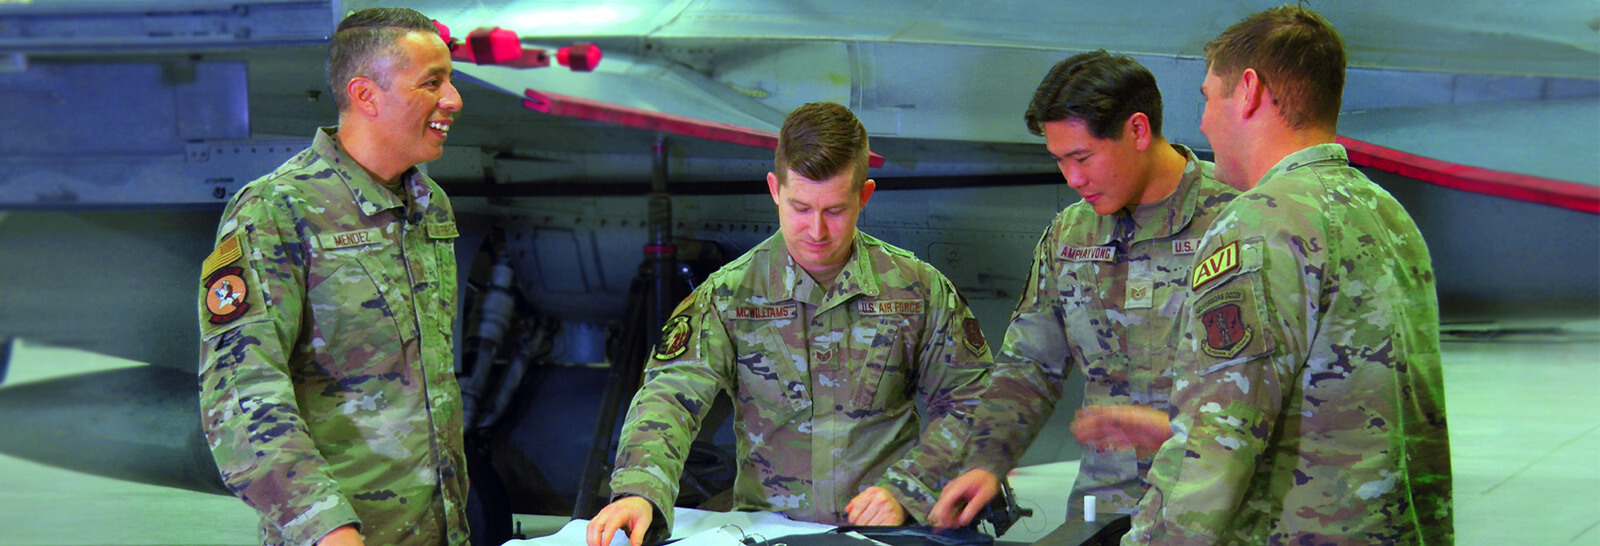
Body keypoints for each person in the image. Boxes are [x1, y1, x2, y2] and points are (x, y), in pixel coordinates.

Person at [1073, 5, 1454, 543]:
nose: (1202, 121)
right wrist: (1170, 426)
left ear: (1248, 91)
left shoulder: (1258, 224)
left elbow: (1215, 446)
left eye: (1207, 97)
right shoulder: (1386, 214)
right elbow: (1348, 406)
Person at [586, 102, 994, 546]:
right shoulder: (730, 294)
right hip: (770, 532)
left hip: (889, 533)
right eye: (800, 207)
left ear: (865, 195)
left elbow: (970, 401)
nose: (816, 231)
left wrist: (909, 488)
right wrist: (640, 491)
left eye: (835, 211)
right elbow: (670, 396)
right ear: (774, 189)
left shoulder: (916, 290)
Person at [926, 51, 1239, 529]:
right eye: (1060, 161)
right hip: (1104, 508)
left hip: (1213, 511)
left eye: (1082, 157)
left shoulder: (1239, 219)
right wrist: (985, 461)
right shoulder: (1071, 235)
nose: (1072, 180)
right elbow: (1029, 363)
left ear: (1137, 130)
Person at [196, 7, 468, 546]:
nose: (454, 100)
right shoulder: (275, 209)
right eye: (432, 82)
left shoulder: (428, 205)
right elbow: (240, 392)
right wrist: (328, 529)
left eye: (451, 79)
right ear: (366, 95)